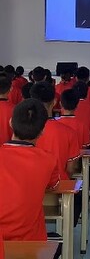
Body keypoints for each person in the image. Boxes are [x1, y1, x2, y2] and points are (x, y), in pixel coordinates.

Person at [0, 98, 60, 240]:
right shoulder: (48, 160)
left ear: (10, 123)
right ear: (42, 131)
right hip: (30, 241)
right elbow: (54, 186)